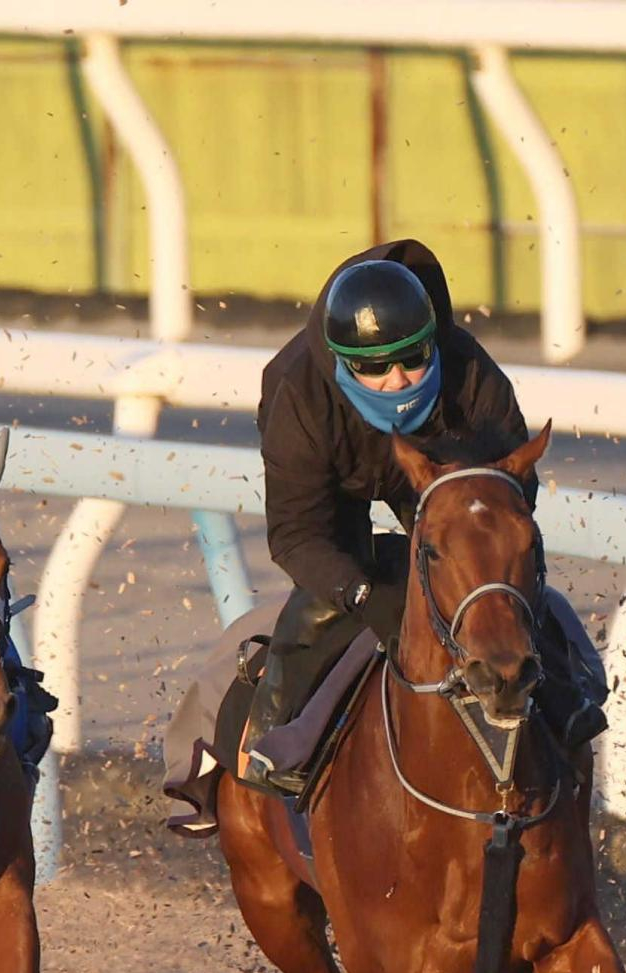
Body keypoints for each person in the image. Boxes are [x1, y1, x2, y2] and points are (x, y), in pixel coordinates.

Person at [239, 239, 605, 796]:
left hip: (446, 476)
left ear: (432, 343)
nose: (398, 380)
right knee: (328, 602)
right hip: (337, 483)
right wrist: (361, 593)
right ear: (342, 360)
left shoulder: (471, 373)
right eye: (372, 367)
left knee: (500, 582)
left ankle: (565, 700)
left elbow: (510, 504)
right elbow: (296, 533)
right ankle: (276, 742)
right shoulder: (298, 396)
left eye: (412, 358)